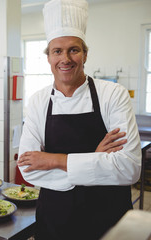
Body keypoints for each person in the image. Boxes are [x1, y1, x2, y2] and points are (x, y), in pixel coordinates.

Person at [17, 0, 142, 239]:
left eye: (73, 50)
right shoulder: (38, 101)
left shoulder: (112, 94)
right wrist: (95, 160)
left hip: (109, 221)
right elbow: (28, 168)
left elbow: (129, 169)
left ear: (85, 54)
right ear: (48, 57)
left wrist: (54, 160)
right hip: (55, 221)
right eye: (57, 51)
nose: (65, 58)